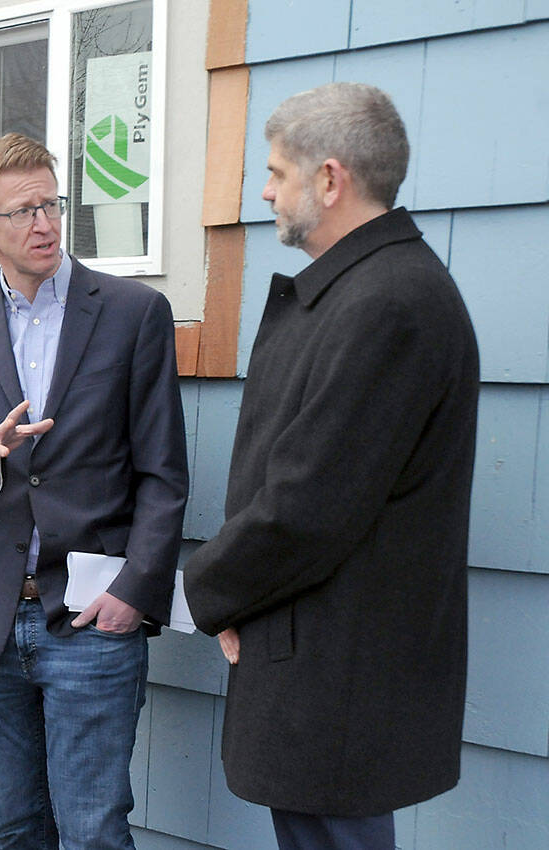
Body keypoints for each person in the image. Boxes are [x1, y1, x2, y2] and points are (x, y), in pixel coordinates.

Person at [182, 83, 480, 850]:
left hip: (340, 664)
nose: (265, 189)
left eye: (278, 172)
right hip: (315, 649)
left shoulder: (386, 303)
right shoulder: (366, 289)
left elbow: (310, 504)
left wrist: (210, 592)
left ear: (331, 179)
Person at [0, 133, 189, 849]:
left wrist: (139, 589)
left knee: (93, 831)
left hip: (92, 617)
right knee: (13, 828)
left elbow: (163, 471)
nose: (45, 224)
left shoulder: (132, 314)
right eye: (23, 211)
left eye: (52, 204)